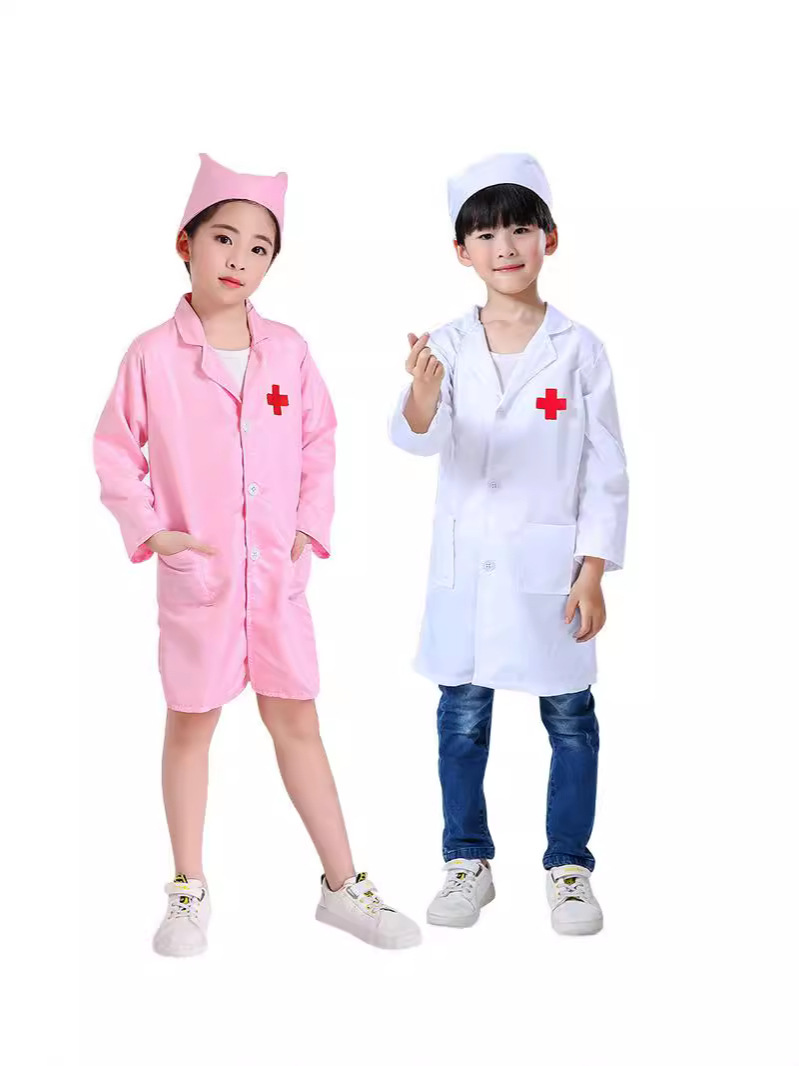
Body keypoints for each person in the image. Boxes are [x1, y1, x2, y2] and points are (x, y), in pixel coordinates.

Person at [94, 153, 420, 954]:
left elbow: (319, 441)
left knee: (297, 720)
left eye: (259, 247)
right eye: (223, 239)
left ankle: (343, 886)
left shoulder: (289, 351)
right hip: (200, 574)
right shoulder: (152, 355)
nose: (239, 258)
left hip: (276, 575)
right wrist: (153, 532)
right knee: (189, 725)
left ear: (272, 262)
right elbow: (114, 451)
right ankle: (187, 890)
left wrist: (308, 527)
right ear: (185, 244)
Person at [388, 153, 628, 935]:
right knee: (460, 716)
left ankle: (568, 868)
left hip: (550, 565)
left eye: (520, 228)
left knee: (570, 717)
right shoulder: (447, 344)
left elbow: (605, 469)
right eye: (485, 234)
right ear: (461, 251)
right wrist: (421, 393)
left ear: (548, 238)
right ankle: (467, 862)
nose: (505, 246)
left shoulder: (578, 348)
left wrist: (591, 571)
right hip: (469, 569)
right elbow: (417, 438)